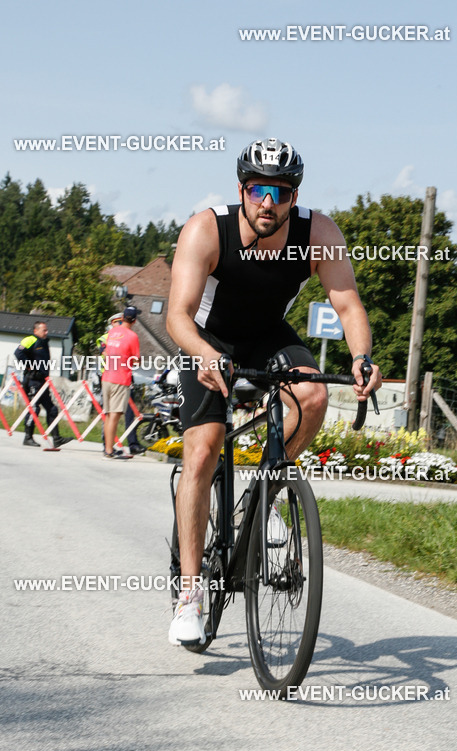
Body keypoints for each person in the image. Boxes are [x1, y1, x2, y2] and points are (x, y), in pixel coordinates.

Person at [166, 137, 382, 646]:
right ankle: (190, 595)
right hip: (206, 338)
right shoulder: (206, 230)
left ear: (294, 196)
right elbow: (177, 315)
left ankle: (266, 495)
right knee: (203, 450)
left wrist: (361, 358)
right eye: (258, 190)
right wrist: (203, 354)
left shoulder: (318, 233)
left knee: (312, 397)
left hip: (267, 336)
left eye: (280, 192)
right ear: (241, 189)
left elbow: (348, 305)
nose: (268, 202)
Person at [14, 320, 69, 448]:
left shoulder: (44, 342)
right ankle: (28, 437)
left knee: (52, 409)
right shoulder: (30, 339)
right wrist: (30, 365)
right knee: (34, 408)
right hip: (32, 381)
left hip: (43, 381)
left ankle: (56, 438)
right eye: (44, 330)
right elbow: (18, 353)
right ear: (36, 330)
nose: (46, 332)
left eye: (46, 330)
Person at [96, 313, 145, 454]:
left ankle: (128, 444)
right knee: (114, 415)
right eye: (116, 322)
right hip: (118, 378)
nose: (119, 324)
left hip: (110, 377)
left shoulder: (112, 335)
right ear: (112, 323)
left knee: (123, 414)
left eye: (120, 321)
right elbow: (105, 353)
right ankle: (108, 448)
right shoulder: (110, 336)